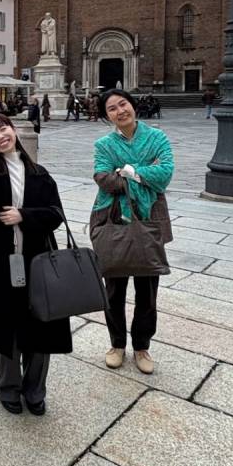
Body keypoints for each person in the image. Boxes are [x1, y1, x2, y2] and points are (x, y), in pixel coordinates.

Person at [0, 113, 67, 417]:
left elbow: (56, 214)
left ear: (13, 130)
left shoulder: (39, 173)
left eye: (2, 129)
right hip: (2, 260)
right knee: (7, 325)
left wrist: (24, 216)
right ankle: (8, 387)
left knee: (41, 325)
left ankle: (35, 391)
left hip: (38, 261)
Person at [90, 89, 174, 375]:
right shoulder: (104, 144)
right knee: (114, 289)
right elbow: (103, 178)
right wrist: (143, 173)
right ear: (107, 116)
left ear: (133, 105)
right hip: (113, 217)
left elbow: (165, 173)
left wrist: (126, 171)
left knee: (147, 290)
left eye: (123, 104)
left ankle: (141, 346)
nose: (120, 111)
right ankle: (116, 344)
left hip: (149, 218)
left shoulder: (157, 137)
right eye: (112, 109)